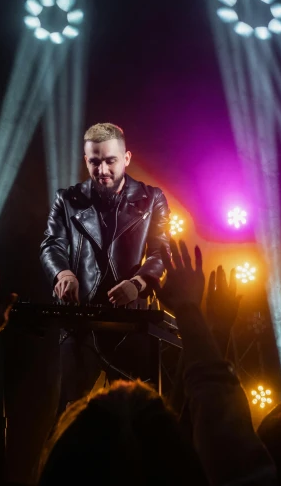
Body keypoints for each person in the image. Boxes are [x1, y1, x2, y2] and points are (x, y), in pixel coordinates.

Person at [40, 122, 171, 408]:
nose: (102, 171)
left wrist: (137, 284)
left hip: (132, 326)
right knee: (69, 417)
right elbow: (52, 244)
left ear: (126, 158)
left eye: (110, 161)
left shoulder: (153, 198)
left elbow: (162, 253)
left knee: (137, 421)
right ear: (86, 160)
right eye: (95, 162)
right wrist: (63, 274)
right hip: (80, 325)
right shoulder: (66, 198)